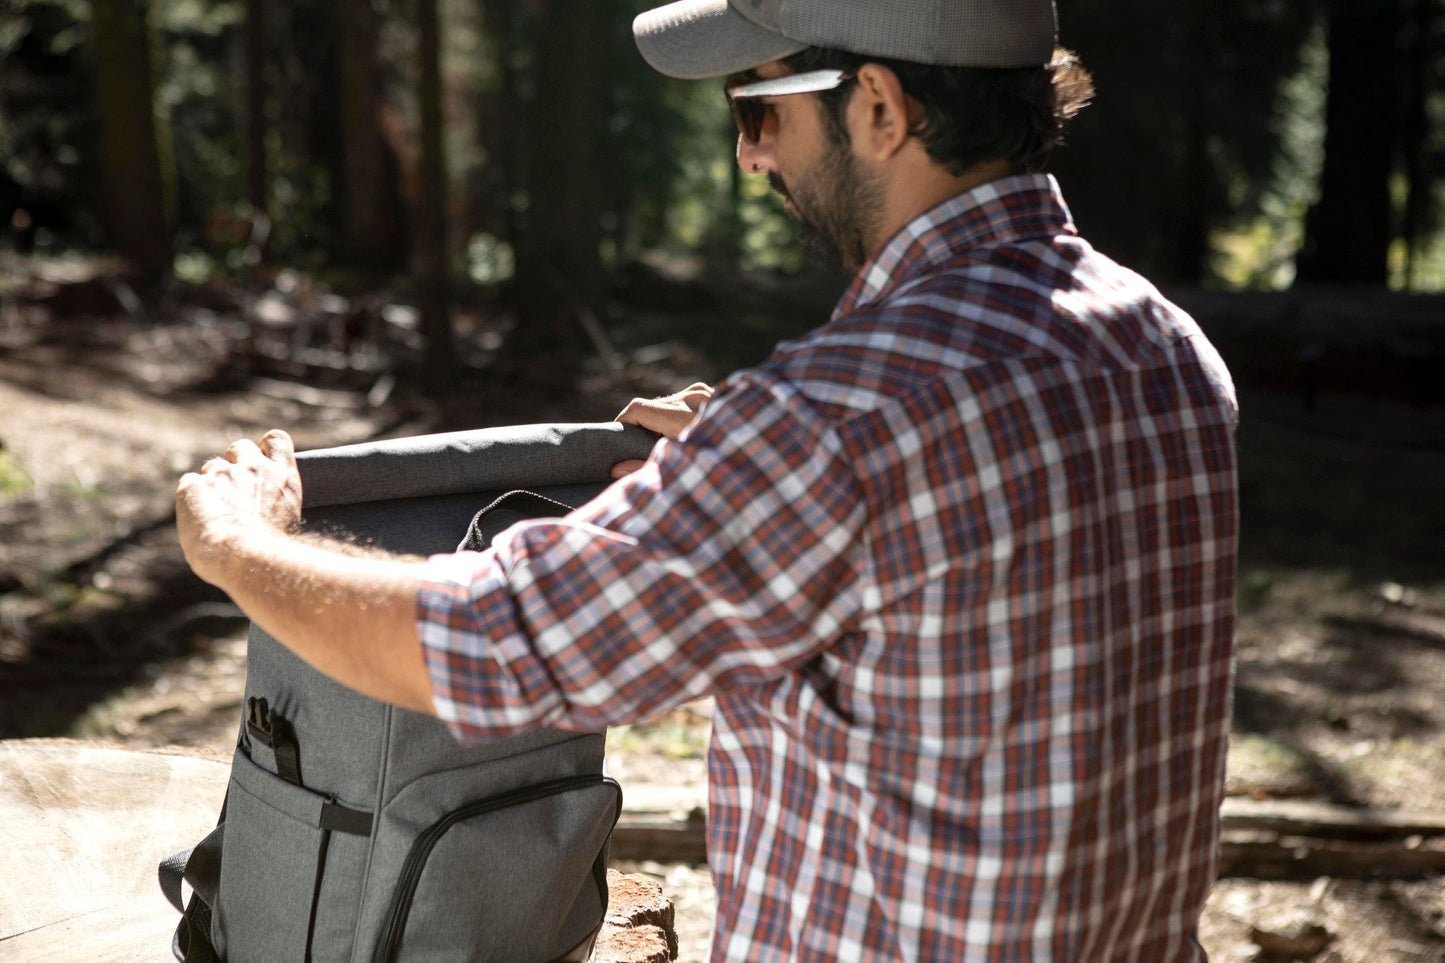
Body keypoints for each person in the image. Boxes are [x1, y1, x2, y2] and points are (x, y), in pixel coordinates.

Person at [176, 0, 1239, 958]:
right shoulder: (1163, 348)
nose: (746, 155)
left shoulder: (835, 425)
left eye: (755, 106)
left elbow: (490, 647)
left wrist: (242, 544)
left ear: (877, 105)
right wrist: (751, 462)